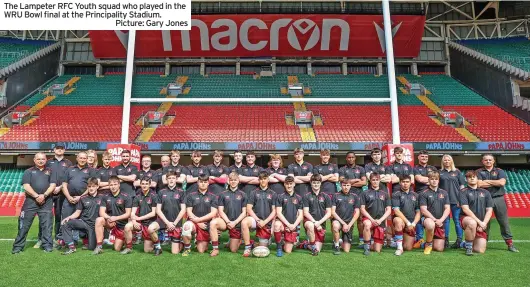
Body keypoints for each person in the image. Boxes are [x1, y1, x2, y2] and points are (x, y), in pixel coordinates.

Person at [12, 153, 57, 254]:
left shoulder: (51, 171)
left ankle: (47, 246)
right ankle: (17, 247)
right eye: (38, 159)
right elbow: (26, 186)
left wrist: (44, 195)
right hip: (30, 202)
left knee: (47, 225)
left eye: (43, 159)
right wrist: (37, 196)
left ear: (46, 160)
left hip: (46, 202)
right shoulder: (28, 171)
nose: (41, 161)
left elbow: (53, 185)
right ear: (34, 160)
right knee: (24, 225)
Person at [477, 154, 518, 252]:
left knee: (503, 222)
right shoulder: (478, 171)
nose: (488, 161)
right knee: (485, 222)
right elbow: (479, 184)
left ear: (493, 161)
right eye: (486, 160)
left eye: (490, 160)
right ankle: (483, 242)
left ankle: (510, 244)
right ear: (482, 161)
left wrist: (486, 182)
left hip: (498, 199)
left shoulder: (500, 171)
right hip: (484, 199)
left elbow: (502, 183)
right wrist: (494, 182)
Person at [35, 143, 72, 249]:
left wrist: (59, 187)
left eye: (61, 148)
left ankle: (57, 238)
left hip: (62, 193)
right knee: (44, 216)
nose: (59, 150)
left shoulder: (68, 163)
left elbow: (69, 178)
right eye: (57, 148)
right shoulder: (48, 162)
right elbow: (44, 176)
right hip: (49, 194)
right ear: (54, 150)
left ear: (64, 150)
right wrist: (51, 188)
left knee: (59, 217)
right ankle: (41, 239)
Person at [59, 151, 97, 244]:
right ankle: (63, 240)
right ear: (77, 158)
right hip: (69, 199)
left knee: (83, 220)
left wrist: (80, 197)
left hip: (83, 200)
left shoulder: (91, 170)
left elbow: (92, 186)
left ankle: (83, 239)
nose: (82, 160)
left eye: (84, 158)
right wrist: (68, 197)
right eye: (81, 158)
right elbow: (64, 184)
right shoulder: (69, 169)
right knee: (66, 219)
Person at [148, 171, 186, 256]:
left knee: (175, 252)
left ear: (176, 179)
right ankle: (158, 247)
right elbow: (158, 210)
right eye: (169, 178)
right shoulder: (161, 192)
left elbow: (183, 209)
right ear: (166, 180)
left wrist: (174, 223)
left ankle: (181, 242)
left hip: (176, 222)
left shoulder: (181, 191)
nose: (171, 180)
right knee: (151, 228)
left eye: (173, 178)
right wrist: (167, 223)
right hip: (163, 221)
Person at [60, 177, 101, 255]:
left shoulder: (102, 198)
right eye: (89, 186)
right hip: (84, 223)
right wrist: (69, 217)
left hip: (95, 226)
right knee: (66, 223)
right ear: (87, 187)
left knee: (91, 247)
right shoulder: (83, 198)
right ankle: (71, 247)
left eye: (93, 186)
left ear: (97, 186)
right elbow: (77, 212)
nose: (91, 188)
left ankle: (89, 241)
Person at [209, 172, 247, 256]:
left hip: (237, 223)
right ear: (228, 181)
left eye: (235, 180)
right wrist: (228, 222)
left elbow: (244, 212)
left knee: (233, 250)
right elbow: (221, 211)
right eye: (231, 180)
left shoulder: (243, 195)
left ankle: (238, 239)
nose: (233, 182)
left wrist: (235, 222)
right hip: (225, 222)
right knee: (213, 223)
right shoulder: (222, 194)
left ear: (238, 181)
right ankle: (215, 249)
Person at [93, 176, 133, 255]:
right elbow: (102, 212)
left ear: (119, 185)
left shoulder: (126, 196)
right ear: (109, 186)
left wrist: (116, 218)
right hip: (110, 222)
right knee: (99, 219)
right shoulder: (105, 196)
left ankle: (125, 239)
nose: (113, 187)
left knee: (117, 248)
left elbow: (128, 214)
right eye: (111, 185)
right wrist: (109, 218)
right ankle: (99, 246)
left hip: (121, 225)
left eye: (115, 184)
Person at [241, 171, 277, 257]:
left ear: (268, 179)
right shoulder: (253, 192)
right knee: (244, 222)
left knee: (263, 249)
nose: (263, 181)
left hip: (266, 222)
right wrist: (257, 220)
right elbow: (249, 209)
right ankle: (247, 247)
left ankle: (256, 243)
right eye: (261, 179)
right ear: (259, 180)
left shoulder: (273, 194)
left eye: (265, 179)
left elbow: (274, 211)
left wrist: (266, 222)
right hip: (255, 219)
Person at [182, 175, 218, 256]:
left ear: (208, 183)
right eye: (201, 182)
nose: (203, 184)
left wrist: (200, 221)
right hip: (194, 222)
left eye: (205, 182)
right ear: (197, 182)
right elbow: (189, 211)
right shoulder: (191, 195)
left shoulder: (213, 196)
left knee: (201, 250)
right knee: (186, 227)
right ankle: (187, 248)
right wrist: (198, 222)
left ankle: (199, 240)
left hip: (206, 224)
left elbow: (213, 213)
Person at [460, 171, 493, 256]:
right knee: (472, 222)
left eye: (474, 177)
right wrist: (479, 222)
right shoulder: (463, 191)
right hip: (466, 219)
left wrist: (484, 223)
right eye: (469, 177)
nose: (472, 178)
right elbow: (465, 209)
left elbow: (489, 210)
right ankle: (468, 247)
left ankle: (463, 243)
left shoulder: (486, 192)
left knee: (479, 250)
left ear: (477, 179)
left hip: (482, 222)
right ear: (466, 179)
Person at [122, 177, 158, 254]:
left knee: (147, 250)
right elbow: (132, 212)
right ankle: (129, 247)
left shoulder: (154, 196)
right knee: (127, 226)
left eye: (146, 184)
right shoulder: (137, 197)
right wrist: (134, 221)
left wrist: (140, 218)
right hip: (140, 222)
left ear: (149, 185)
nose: (144, 185)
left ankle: (156, 244)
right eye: (143, 184)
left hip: (151, 222)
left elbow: (153, 213)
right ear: (140, 184)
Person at [338, 151, 366, 246]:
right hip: (346, 195)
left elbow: (364, 182)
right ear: (346, 158)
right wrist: (355, 180)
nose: (351, 159)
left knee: (360, 218)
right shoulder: (342, 169)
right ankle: (344, 237)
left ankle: (361, 239)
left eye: (352, 157)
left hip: (359, 195)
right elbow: (341, 180)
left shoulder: (361, 169)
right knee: (345, 216)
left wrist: (348, 183)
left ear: (355, 158)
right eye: (349, 157)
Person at [360, 173, 391, 256]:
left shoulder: (385, 194)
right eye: (373, 180)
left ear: (379, 180)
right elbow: (362, 209)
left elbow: (388, 210)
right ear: (370, 181)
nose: (375, 182)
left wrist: (380, 220)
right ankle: (366, 247)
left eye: (377, 180)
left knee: (377, 250)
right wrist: (372, 219)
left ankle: (370, 244)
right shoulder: (365, 193)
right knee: (367, 224)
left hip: (380, 221)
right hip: (369, 219)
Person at [420, 171, 450, 255]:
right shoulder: (424, 193)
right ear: (428, 180)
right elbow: (423, 210)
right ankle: (428, 245)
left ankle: (422, 243)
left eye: (436, 179)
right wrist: (434, 220)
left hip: (440, 221)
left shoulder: (444, 193)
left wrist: (441, 220)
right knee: (430, 224)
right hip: (428, 219)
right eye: (432, 179)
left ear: (438, 180)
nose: (434, 181)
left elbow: (447, 208)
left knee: (439, 248)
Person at [439, 154, 465, 248]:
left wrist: (461, 200)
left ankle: (459, 240)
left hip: (456, 200)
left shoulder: (457, 172)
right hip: (443, 201)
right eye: (445, 160)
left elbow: (462, 187)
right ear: (443, 162)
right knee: (445, 221)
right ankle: (445, 240)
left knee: (457, 221)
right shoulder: (440, 172)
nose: (446, 161)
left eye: (448, 160)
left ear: (451, 161)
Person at [412, 150, 437, 248]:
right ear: (418, 157)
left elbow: (436, 180)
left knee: (431, 216)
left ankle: (432, 239)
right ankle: (419, 239)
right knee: (419, 217)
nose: (424, 158)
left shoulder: (433, 168)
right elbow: (419, 179)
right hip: (420, 195)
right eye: (422, 157)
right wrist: (431, 180)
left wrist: (427, 180)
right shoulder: (415, 168)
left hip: (432, 195)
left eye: (426, 157)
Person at [273, 176, 302, 257]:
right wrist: (288, 225)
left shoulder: (299, 198)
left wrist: (293, 226)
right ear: (284, 184)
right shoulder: (280, 196)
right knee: (277, 225)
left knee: (288, 251)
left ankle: (285, 241)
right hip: (283, 224)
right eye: (287, 184)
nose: (289, 186)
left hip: (293, 225)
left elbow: (300, 215)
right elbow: (278, 213)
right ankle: (279, 247)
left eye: (291, 184)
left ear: (294, 184)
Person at [303, 174, 332, 256]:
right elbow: (305, 212)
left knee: (318, 249)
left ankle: (305, 244)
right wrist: (314, 222)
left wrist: (319, 223)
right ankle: (312, 247)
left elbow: (329, 213)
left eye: (318, 183)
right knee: (311, 225)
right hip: (309, 222)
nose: (316, 184)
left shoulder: (326, 196)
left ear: (320, 183)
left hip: (321, 224)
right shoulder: (306, 196)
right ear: (311, 183)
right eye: (314, 183)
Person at [392, 175, 421, 256]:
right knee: (398, 220)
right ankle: (399, 248)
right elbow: (396, 211)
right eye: (403, 182)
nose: (405, 184)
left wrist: (413, 224)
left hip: (411, 224)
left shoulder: (416, 195)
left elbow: (419, 212)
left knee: (408, 247)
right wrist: (407, 223)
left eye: (407, 182)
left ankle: (400, 240)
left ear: (410, 183)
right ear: (400, 183)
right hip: (402, 221)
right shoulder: (396, 194)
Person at [331, 178, 360, 255]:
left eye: (348, 185)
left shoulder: (355, 196)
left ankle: (341, 241)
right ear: (341, 185)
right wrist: (343, 223)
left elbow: (357, 212)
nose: (346, 187)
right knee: (335, 225)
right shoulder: (335, 195)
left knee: (346, 250)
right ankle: (336, 245)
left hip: (349, 223)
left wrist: (349, 225)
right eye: (344, 185)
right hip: (339, 221)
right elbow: (333, 212)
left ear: (350, 186)